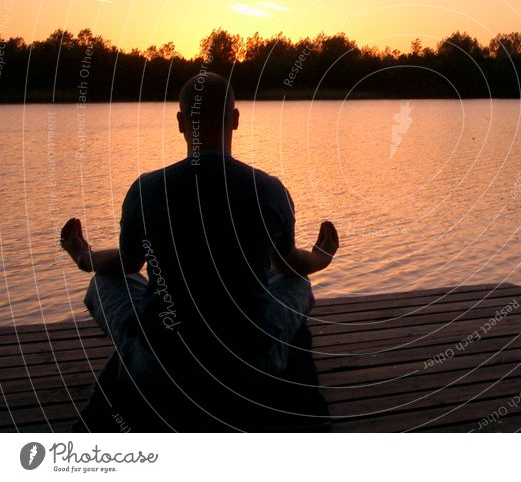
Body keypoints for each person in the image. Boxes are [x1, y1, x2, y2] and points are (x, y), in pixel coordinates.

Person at [60, 71, 338, 431]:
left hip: (161, 365)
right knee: (297, 285)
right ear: (235, 120)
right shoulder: (268, 189)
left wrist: (85, 257)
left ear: (180, 123)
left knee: (104, 282)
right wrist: (322, 255)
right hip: (253, 361)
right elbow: (289, 264)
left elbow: (128, 263)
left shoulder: (147, 189)